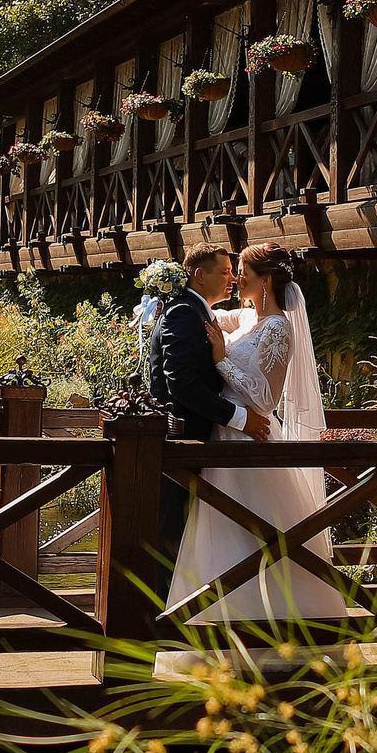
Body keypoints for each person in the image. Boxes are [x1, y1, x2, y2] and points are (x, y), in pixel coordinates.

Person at [165, 242, 349, 624]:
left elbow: (266, 399)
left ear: (264, 280)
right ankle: (213, 622)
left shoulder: (279, 328)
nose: (236, 277)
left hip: (250, 440)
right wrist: (169, 291)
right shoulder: (248, 318)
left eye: (243, 271)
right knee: (220, 534)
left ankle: (267, 621)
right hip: (224, 437)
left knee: (255, 532)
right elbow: (206, 312)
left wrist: (222, 361)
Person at [143, 246, 271, 562]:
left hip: (195, 444)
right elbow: (181, 384)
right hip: (180, 443)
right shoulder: (184, 312)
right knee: (172, 535)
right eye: (225, 272)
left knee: (188, 536)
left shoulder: (196, 310)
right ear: (200, 275)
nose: (232, 279)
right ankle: (164, 596)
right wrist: (240, 418)